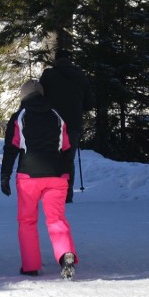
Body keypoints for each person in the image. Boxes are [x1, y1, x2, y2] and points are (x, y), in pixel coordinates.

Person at [0, 79, 78, 279]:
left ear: (23, 96)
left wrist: (5, 175)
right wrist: (69, 180)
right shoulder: (56, 116)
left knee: (27, 221)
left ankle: (30, 265)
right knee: (56, 219)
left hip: (28, 176)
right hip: (57, 175)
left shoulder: (20, 117)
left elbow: (11, 148)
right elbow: (67, 150)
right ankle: (65, 254)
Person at [39, 49, 95, 203]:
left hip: (51, 123)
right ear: (70, 60)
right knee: (68, 159)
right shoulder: (80, 76)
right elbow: (90, 103)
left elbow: (39, 97)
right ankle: (67, 193)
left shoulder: (48, 75)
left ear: (56, 60)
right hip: (73, 124)